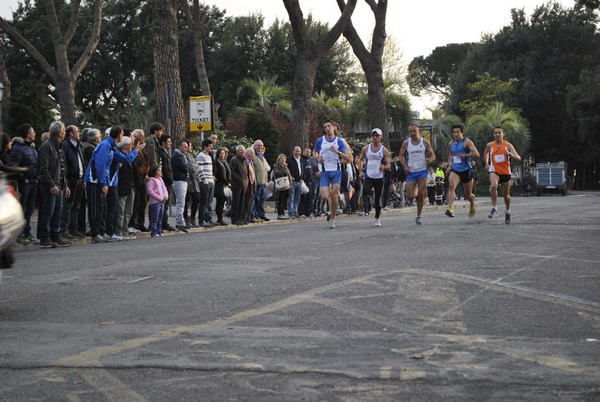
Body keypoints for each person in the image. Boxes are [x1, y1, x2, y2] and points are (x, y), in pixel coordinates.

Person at [84, 126, 143, 244]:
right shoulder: (105, 145)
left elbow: (125, 159)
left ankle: (102, 232)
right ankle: (95, 234)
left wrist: (136, 150)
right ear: (118, 135)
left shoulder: (111, 147)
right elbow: (100, 165)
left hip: (102, 181)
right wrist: (103, 183)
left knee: (103, 208)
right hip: (94, 180)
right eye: (122, 134)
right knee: (96, 208)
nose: (123, 136)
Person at [37, 121, 71, 248]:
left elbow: (62, 168)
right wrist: (51, 185)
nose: (64, 133)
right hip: (50, 187)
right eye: (63, 131)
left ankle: (55, 237)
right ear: (58, 132)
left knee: (57, 213)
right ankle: (44, 238)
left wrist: (65, 185)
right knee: (47, 213)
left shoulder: (60, 147)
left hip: (60, 186)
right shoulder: (46, 147)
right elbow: (43, 168)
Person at [313, 120, 350, 228]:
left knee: (333, 194)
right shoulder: (321, 140)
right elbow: (314, 151)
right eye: (325, 127)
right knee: (325, 196)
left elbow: (348, 158)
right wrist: (317, 158)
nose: (327, 128)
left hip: (336, 171)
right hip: (324, 171)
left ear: (333, 128)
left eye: (329, 126)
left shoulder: (339, 141)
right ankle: (338, 200)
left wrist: (337, 151)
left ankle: (333, 218)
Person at [483, 126, 522, 224]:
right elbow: (486, 153)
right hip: (494, 171)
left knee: (506, 196)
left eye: (499, 133)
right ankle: (494, 208)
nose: (497, 134)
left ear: (503, 134)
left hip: (505, 173)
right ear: (493, 134)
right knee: (494, 185)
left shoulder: (508, 145)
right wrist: (487, 163)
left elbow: (518, 157)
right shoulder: (490, 145)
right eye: (495, 133)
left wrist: (509, 154)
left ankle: (508, 211)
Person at [398, 124, 436, 225]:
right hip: (411, 172)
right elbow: (400, 156)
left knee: (421, 194)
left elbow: (432, 155)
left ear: (418, 131)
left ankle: (418, 215)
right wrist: (405, 166)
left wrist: (430, 160)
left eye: (414, 131)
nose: (412, 133)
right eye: (410, 132)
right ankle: (415, 191)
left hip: (422, 171)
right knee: (410, 196)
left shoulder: (424, 142)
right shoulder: (406, 143)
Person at [11, 124, 39, 245]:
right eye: (32, 132)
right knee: (22, 209)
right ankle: (20, 234)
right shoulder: (18, 148)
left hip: (34, 181)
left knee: (30, 209)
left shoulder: (31, 148)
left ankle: (27, 233)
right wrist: (23, 178)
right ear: (28, 134)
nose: (35, 133)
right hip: (25, 183)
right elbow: (14, 166)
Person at [358, 128, 391, 227]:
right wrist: (360, 171)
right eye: (373, 135)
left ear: (381, 137)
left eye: (377, 135)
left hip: (379, 177)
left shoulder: (384, 150)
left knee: (378, 200)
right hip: (369, 175)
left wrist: (384, 167)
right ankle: (366, 208)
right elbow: (360, 159)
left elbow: (389, 165)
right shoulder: (366, 148)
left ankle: (377, 218)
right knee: (365, 191)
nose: (375, 137)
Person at [445, 124, 480, 218]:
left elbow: (477, 154)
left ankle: (472, 203)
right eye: (454, 132)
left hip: (466, 170)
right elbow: (450, 155)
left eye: (458, 132)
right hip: (455, 170)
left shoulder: (466, 142)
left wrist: (465, 155)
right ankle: (451, 208)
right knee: (451, 186)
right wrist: (449, 165)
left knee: (468, 194)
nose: (456, 134)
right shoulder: (451, 143)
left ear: (462, 133)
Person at [60, 125, 86, 239]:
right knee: (68, 205)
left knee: (76, 205)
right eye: (77, 131)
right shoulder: (65, 146)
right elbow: (64, 164)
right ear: (71, 133)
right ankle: (64, 229)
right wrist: (65, 181)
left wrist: (84, 177)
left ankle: (73, 229)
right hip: (71, 179)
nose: (79, 133)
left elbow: (81, 162)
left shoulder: (79, 145)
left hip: (80, 179)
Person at [129, 129, 149, 233]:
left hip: (143, 178)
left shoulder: (141, 149)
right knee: (135, 202)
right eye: (141, 136)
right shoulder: (133, 149)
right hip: (136, 178)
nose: (143, 138)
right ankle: (133, 223)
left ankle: (140, 222)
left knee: (143, 201)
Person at [116, 136, 136, 239]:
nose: (132, 146)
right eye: (130, 144)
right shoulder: (121, 156)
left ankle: (125, 230)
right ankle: (119, 231)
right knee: (121, 211)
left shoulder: (130, 156)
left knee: (128, 211)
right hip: (122, 186)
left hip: (131, 186)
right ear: (125, 145)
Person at [158, 135, 176, 231]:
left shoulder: (165, 153)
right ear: (163, 143)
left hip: (167, 182)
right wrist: (170, 180)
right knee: (164, 205)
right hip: (165, 182)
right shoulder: (162, 153)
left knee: (165, 205)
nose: (170, 143)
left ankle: (163, 222)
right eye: (168, 141)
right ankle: (163, 223)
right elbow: (165, 169)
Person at [171, 139, 190, 232]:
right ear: (179, 146)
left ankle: (181, 221)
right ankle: (180, 222)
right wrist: (190, 168)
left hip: (183, 180)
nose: (186, 148)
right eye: (184, 146)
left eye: (187, 146)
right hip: (179, 181)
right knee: (180, 202)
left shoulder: (182, 156)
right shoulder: (177, 156)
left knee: (182, 202)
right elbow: (185, 167)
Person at [196, 139, 215, 227]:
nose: (211, 147)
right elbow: (199, 169)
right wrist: (205, 180)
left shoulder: (209, 156)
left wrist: (211, 179)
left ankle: (207, 219)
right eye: (210, 146)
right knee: (203, 202)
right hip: (204, 182)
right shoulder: (200, 156)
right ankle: (201, 220)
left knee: (208, 202)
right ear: (205, 146)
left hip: (210, 181)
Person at [251, 140, 271, 222]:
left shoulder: (262, 156)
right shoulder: (253, 155)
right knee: (256, 199)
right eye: (258, 145)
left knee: (261, 200)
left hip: (263, 182)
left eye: (261, 145)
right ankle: (255, 215)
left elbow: (266, 169)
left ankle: (261, 214)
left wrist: (266, 180)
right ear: (254, 146)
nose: (260, 147)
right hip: (256, 182)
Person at [229, 145, 249, 225]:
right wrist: (238, 179)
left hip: (243, 184)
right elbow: (232, 172)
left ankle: (240, 218)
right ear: (237, 152)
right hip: (236, 184)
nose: (242, 153)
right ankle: (235, 218)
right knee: (236, 202)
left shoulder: (244, 161)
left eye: (243, 152)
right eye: (241, 151)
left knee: (241, 202)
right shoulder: (234, 160)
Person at [146, 165, 168, 237]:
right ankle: (154, 232)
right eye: (159, 170)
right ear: (154, 172)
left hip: (162, 202)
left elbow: (164, 189)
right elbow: (150, 191)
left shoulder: (160, 180)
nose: (160, 172)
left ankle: (159, 230)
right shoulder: (151, 181)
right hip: (155, 202)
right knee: (154, 218)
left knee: (160, 217)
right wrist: (159, 198)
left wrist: (165, 196)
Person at [183, 140, 201, 227]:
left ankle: (193, 217)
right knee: (186, 200)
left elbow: (196, 167)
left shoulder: (192, 156)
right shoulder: (183, 156)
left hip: (194, 181)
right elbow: (191, 167)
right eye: (189, 145)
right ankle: (186, 218)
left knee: (197, 198)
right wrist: (194, 169)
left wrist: (195, 170)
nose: (190, 147)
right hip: (187, 180)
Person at [214, 147, 231, 225]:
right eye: (220, 153)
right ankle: (219, 218)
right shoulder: (216, 162)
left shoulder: (225, 162)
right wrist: (225, 182)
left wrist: (228, 182)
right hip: (220, 184)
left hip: (226, 185)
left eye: (223, 153)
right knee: (219, 202)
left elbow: (228, 173)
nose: (222, 155)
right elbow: (218, 174)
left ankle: (221, 218)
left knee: (224, 201)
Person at [272, 153, 292, 220]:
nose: (283, 160)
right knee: (280, 200)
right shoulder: (276, 166)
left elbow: (288, 175)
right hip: (280, 185)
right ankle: (279, 213)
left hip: (286, 185)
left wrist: (290, 182)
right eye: (281, 158)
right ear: (278, 159)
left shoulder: (285, 166)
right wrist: (284, 170)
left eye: (284, 159)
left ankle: (283, 213)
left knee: (284, 200)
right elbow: (278, 173)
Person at [287, 146, 304, 219]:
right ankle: (291, 212)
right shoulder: (289, 159)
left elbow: (302, 169)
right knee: (291, 197)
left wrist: (302, 177)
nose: (297, 152)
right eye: (296, 151)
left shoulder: (301, 160)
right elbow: (287, 169)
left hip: (299, 181)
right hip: (292, 181)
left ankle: (295, 211)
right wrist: (290, 177)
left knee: (297, 198)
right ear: (293, 151)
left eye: (299, 151)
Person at [242, 147, 257, 223]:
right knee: (246, 203)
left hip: (252, 185)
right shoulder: (245, 162)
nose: (252, 155)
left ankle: (247, 217)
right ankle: (244, 217)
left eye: (253, 153)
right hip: (247, 186)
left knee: (250, 203)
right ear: (246, 154)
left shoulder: (251, 163)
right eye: (250, 153)